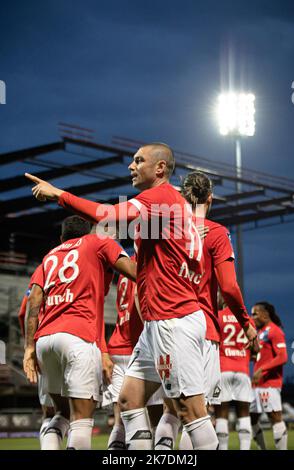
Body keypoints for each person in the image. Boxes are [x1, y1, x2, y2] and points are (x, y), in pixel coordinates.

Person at [25, 143, 257, 450]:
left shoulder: (158, 198)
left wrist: (60, 195)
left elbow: (107, 215)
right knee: (129, 399)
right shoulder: (174, 205)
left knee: (190, 410)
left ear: (160, 168)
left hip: (172, 320)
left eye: (138, 161)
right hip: (158, 323)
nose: (131, 167)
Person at [154, 170, 258, 450]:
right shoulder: (216, 232)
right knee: (200, 414)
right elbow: (229, 287)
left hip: (164, 326)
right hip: (201, 329)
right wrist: (246, 322)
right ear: (210, 198)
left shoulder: (163, 231)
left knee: (172, 411)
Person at [23, 215, 136, 450]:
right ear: (89, 233)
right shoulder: (97, 242)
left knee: (61, 413)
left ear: (61, 237)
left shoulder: (50, 256)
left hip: (45, 340)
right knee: (82, 420)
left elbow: (34, 299)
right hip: (78, 337)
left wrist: (29, 348)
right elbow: (135, 272)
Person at [103, 254, 163, 450]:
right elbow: (140, 294)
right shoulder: (149, 260)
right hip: (140, 347)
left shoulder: (125, 263)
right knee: (156, 417)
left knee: (120, 420)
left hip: (117, 346)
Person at [18, 265, 57, 448]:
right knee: (78, 413)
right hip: (77, 341)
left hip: (44, 344)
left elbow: (23, 313)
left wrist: (29, 347)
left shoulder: (39, 280)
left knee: (49, 413)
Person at [214, 292, 253, 450]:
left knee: (221, 414)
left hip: (223, 369)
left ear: (224, 298)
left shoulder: (218, 316)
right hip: (243, 370)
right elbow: (256, 347)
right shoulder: (248, 320)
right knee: (244, 413)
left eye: (219, 295)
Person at [250, 301, 288, 450]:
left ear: (265, 315)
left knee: (275, 418)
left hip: (270, 384)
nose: (252, 317)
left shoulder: (275, 331)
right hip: (257, 384)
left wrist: (261, 369)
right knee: (251, 419)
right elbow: (263, 355)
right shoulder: (260, 332)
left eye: (255, 314)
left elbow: (283, 357)